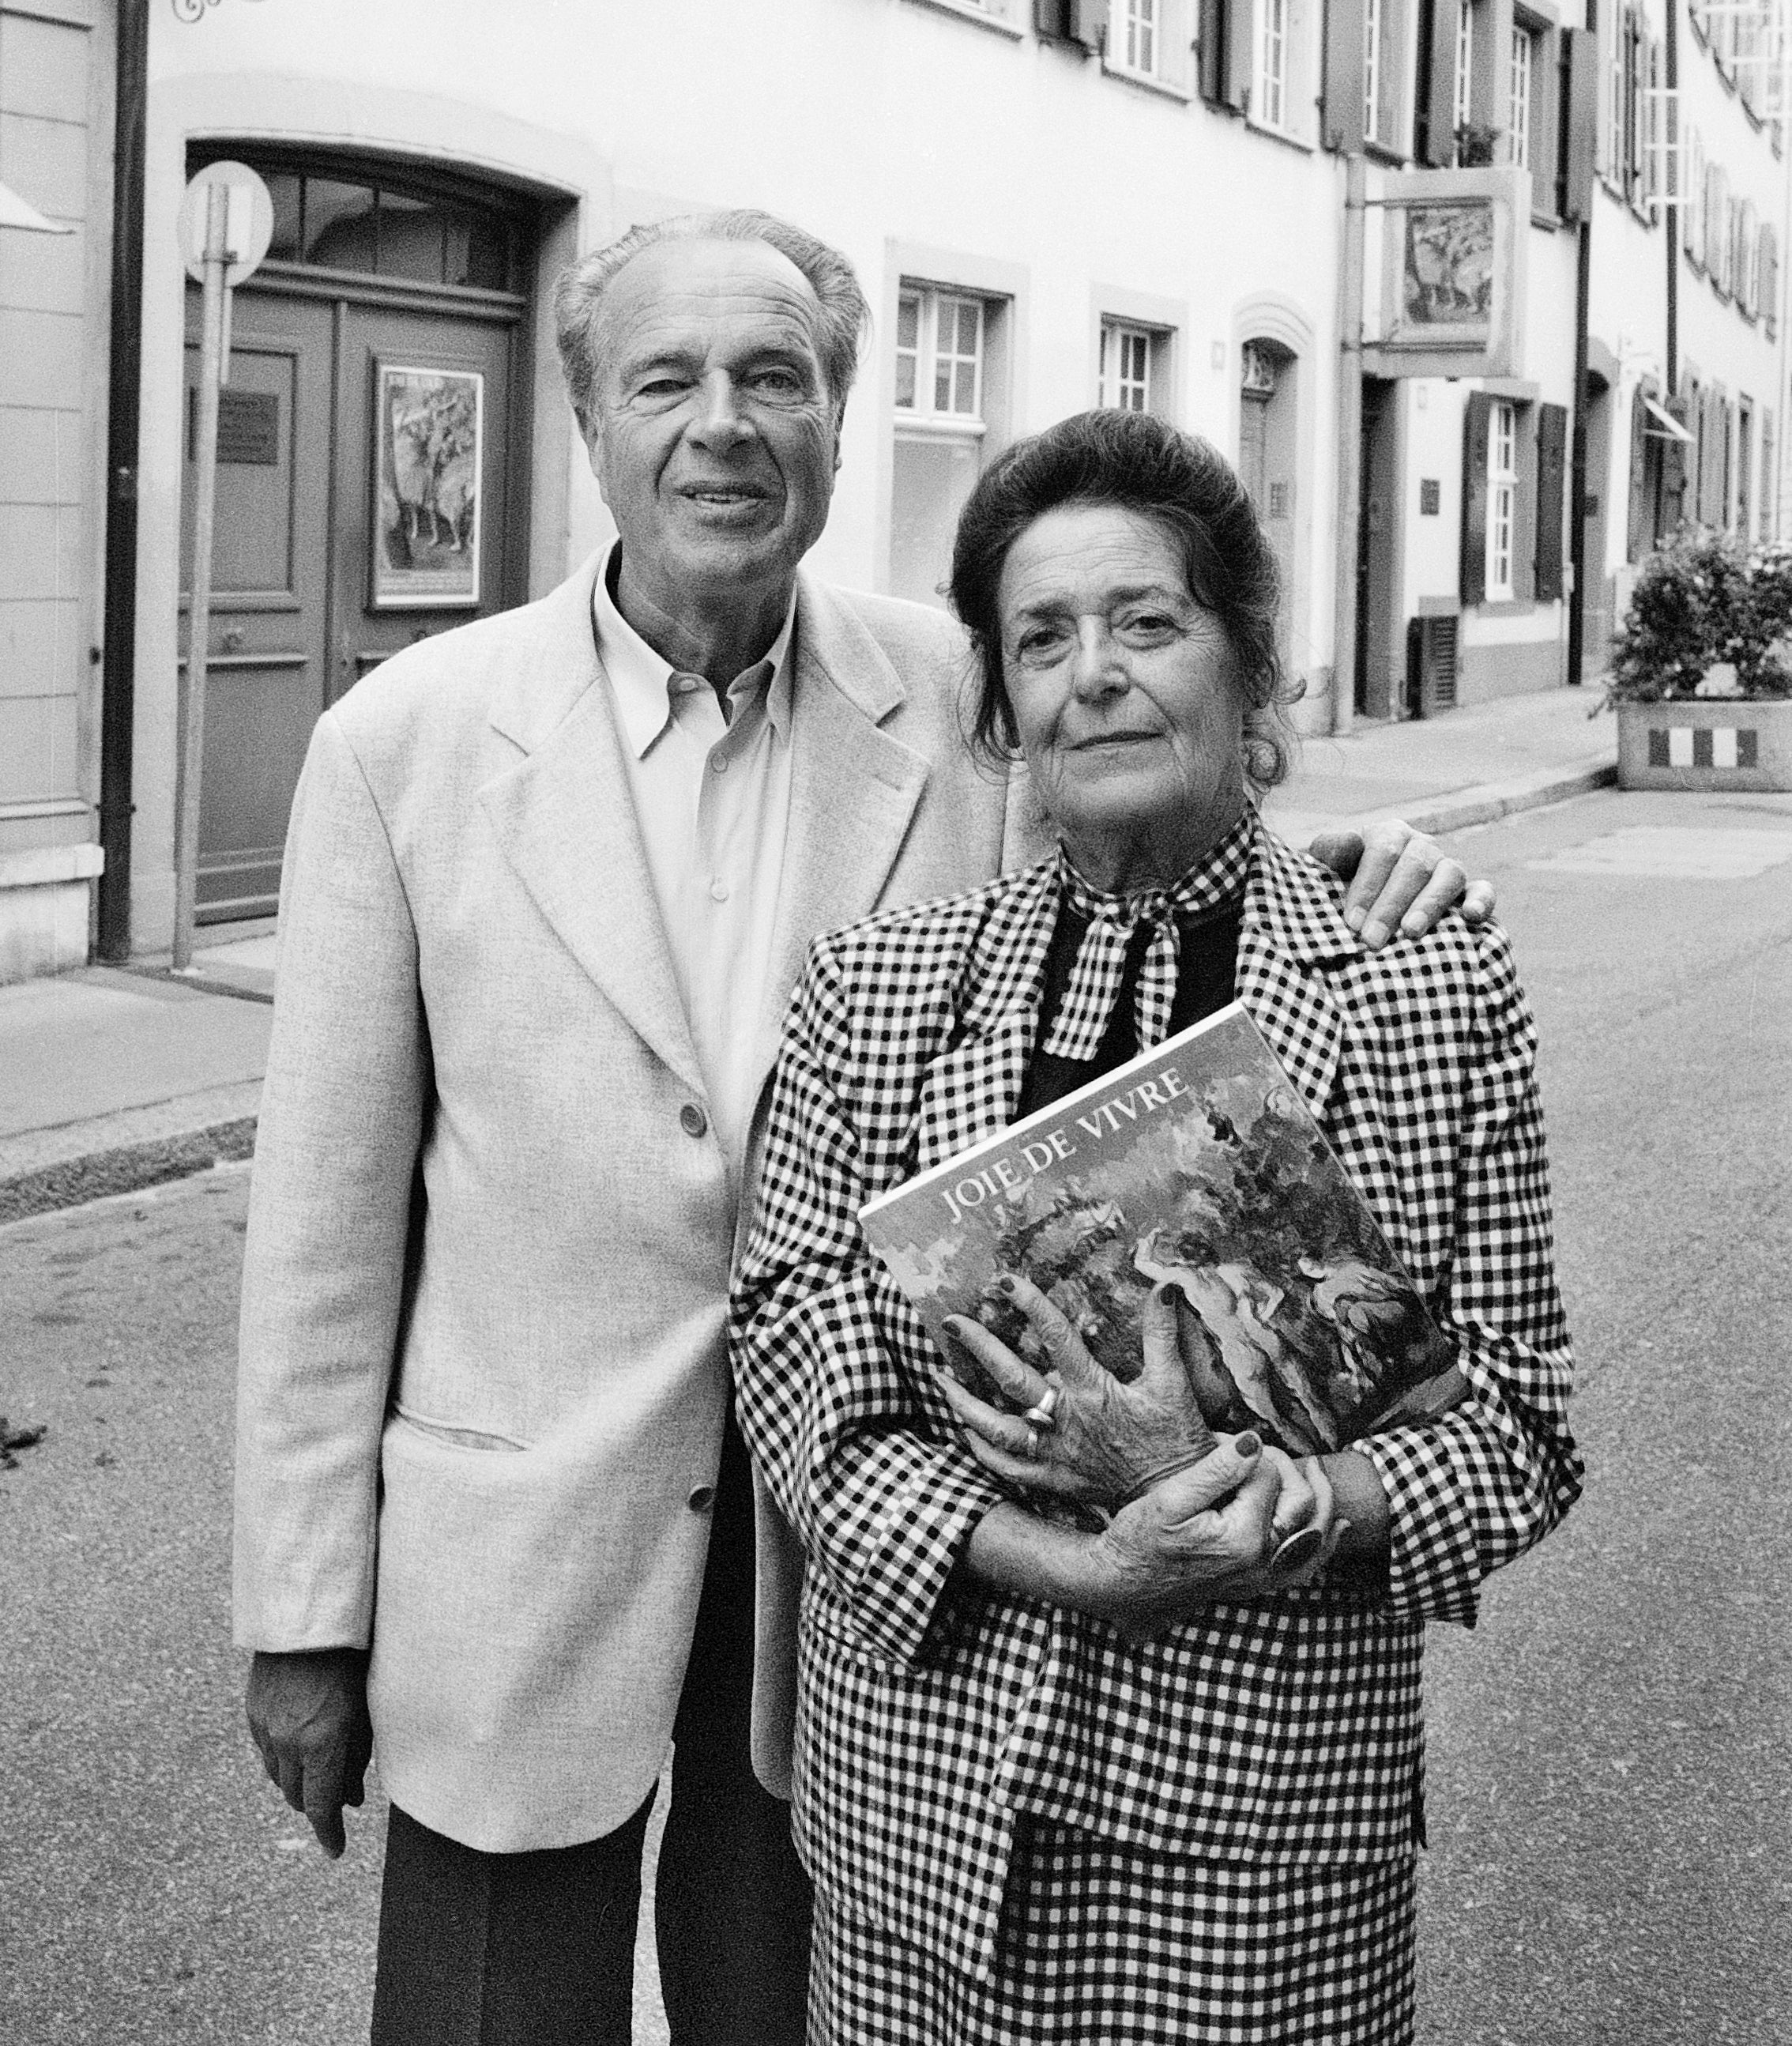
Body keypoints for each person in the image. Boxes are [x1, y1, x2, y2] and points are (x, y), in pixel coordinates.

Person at [233, 217, 1494, 2046]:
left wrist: (1358, 869)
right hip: (516, 1544)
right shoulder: (403, 742)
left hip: (852, 1569)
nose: (725, 427)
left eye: (779, 379)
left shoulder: (960, 693)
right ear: (587, 418)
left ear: (842, 420)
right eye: (668, 379)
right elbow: (325, 1230)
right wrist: (302, 1612)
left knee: (782, 2014)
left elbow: (1135, 862)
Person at [731, 409, 1580, 2045]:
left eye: (1146, 620)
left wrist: (1288, 1497)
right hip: (919, 1827)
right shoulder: (879, 990)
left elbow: (1521, 1433)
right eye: (1041, 637)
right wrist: (1082, 1563)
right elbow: (802, 1386)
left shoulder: (1425, 982)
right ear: (1004, 708)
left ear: (1246, 670)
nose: (1093, 672)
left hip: (1253, 1854)